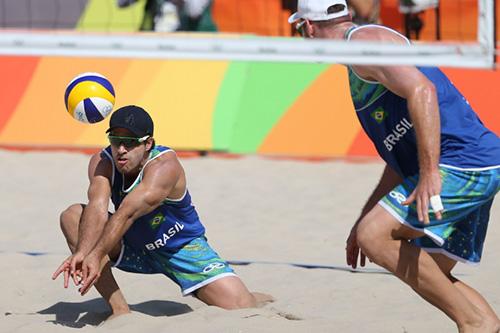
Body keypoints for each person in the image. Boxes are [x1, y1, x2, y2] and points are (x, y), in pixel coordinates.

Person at [289, 1, 500, 332]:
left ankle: (472, 323)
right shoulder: (358, 57)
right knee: (433, 272)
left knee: (377, 237)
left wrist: (430, 175)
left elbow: (422, 90)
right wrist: (363, 219)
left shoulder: (363, 45)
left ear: (309, 26)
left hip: (462, 163)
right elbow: (399, 162)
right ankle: (484, 325)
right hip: (471, 162)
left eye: (299, 29)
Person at [52, 105, 272, 319]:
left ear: (148, 143)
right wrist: (82, 251)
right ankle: (120, 311)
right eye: (115, 140)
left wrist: (96, 254)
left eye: (129, 143)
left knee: (242, 306)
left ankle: (255, 296)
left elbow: (127, 212)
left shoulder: (165, 167)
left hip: (180, 248)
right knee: (72, 215)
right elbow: (97, 207)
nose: (121, 150)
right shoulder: (102, 162)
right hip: (132, 246)